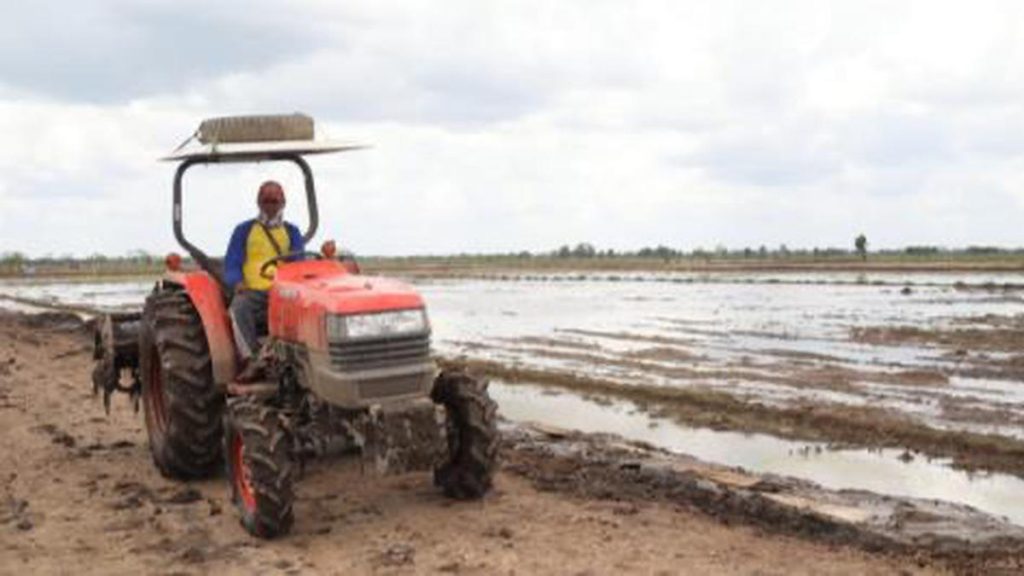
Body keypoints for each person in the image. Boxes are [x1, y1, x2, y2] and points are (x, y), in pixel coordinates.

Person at [225, 180, 304, 379]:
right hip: (254, 291)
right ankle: (253, 359)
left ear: (283, 203)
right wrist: (237, 282)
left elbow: (299, 261)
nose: (270, 205)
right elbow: (233, 261)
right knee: (238, 307)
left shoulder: (292, 231)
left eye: (274, 201)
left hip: (283, 291)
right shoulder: (244, 230)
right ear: (259, 202)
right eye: (266, 201)